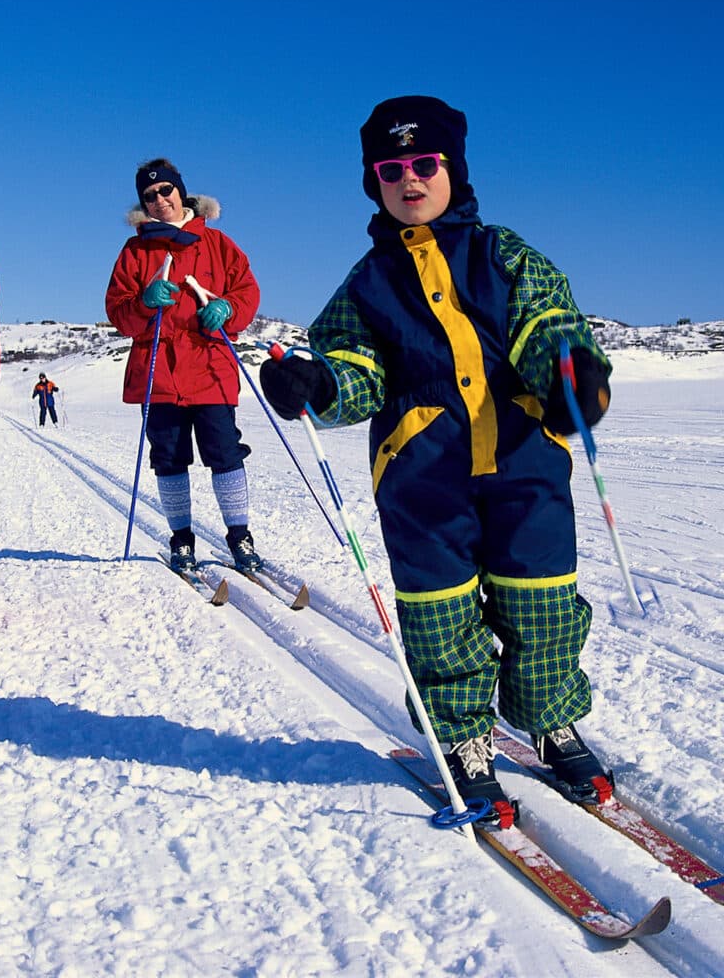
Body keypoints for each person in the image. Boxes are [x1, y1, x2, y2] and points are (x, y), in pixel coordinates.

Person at [259, 96, 614, 827]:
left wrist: (568, 373)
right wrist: (318, 382)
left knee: (543, 605)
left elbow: (549, 324)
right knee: (439, 615)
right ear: (375, 183)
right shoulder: (367, 284)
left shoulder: (505, 255)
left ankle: (549, 719)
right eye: (391, 169)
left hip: (524, 465)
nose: (409, 180)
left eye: (425, 163)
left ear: (453, 168)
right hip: (422, 477)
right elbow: (354, 365)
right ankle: (462, 741)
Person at [105, 158, 262, 571]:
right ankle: (182, 541)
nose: (159, 200)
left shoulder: (219, 244)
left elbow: (247, 289)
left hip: (210, 367)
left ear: (181, 191)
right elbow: (118, 313)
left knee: (225, 452)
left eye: (165, 191)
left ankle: (240, 537)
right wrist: (142, 302)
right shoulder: (135, 251)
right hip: (158, 370)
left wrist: (228, 308)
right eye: (149, 196)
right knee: (169, 457)